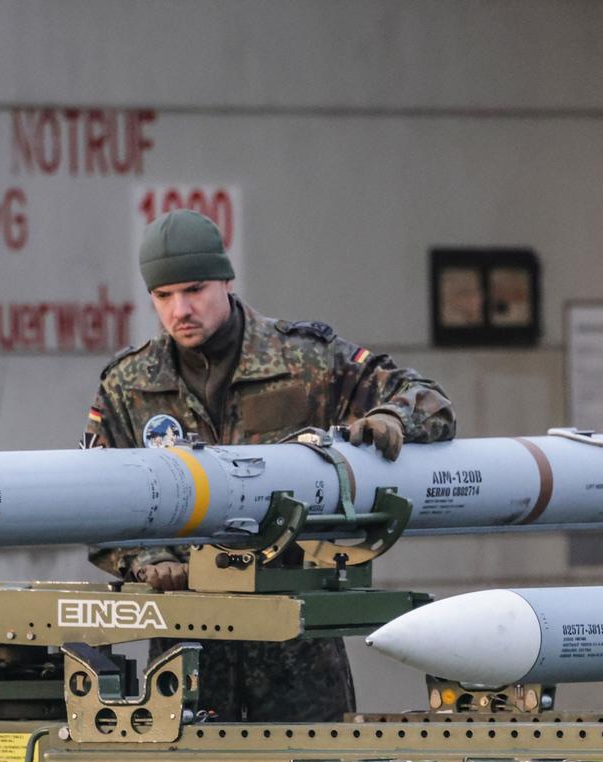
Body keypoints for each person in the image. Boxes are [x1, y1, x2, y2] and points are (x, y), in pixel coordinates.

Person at [83, 209, 457, 721]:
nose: (180, 310)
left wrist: (393, 417)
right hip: (188, 648)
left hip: (295, 644)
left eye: (194, 290)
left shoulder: (303, 360)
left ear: (226, 282)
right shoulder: (130, 385)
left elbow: (428, 399)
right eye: (163, 297)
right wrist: (147, 559)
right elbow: (96, 499)